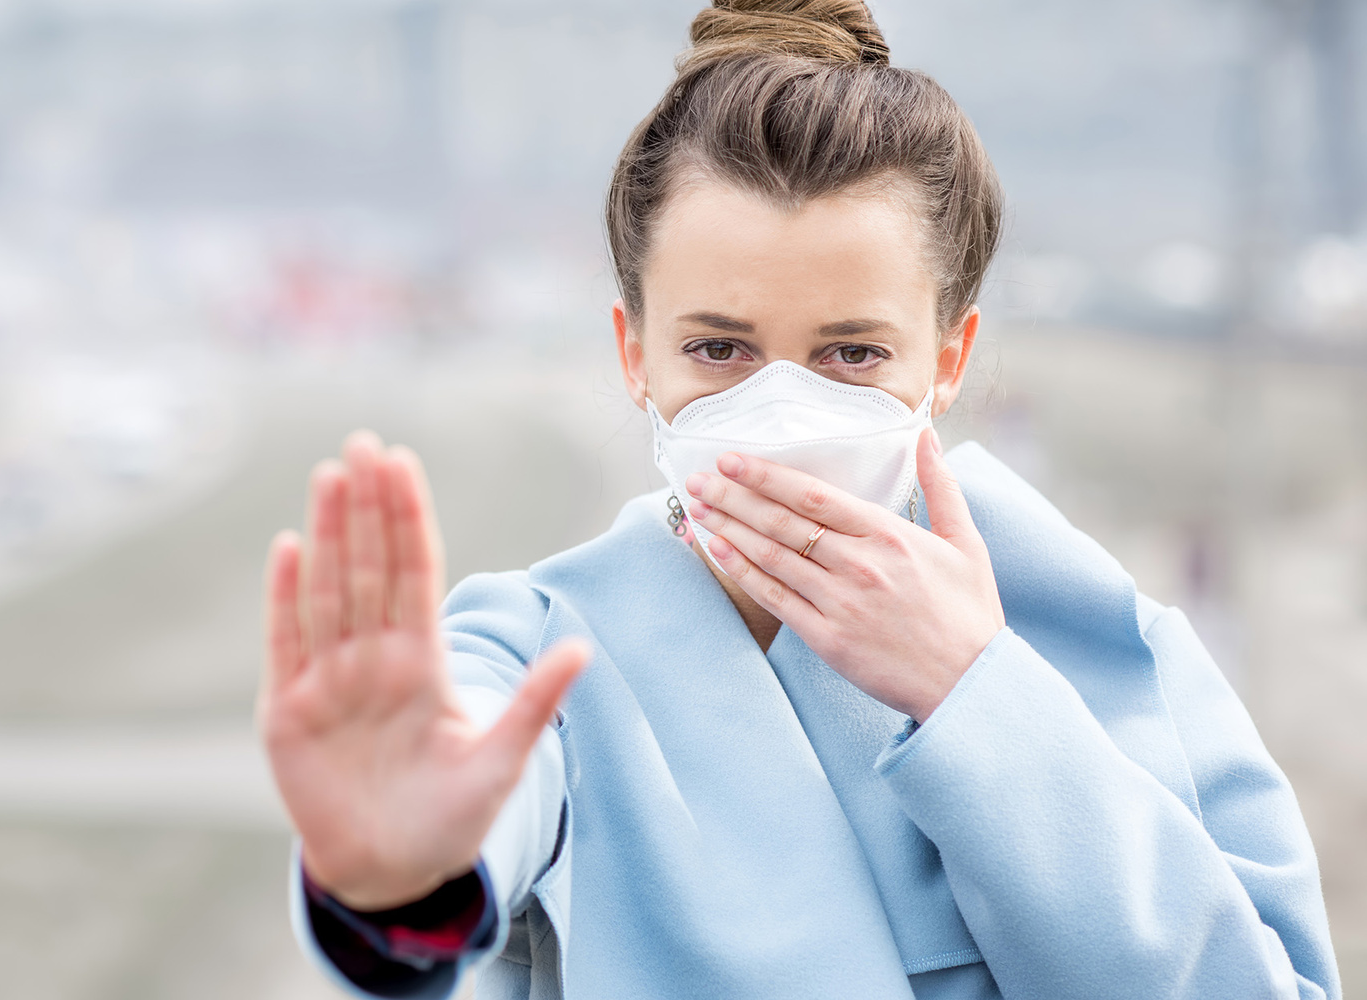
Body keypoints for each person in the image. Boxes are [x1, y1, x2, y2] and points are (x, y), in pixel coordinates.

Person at [256, 2, 1342, 997]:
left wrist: (975, 698)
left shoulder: (1113, 645)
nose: (781, 411)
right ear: (633, 353)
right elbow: (472, 779)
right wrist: (402, 878)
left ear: (948, 357)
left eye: (851, 353)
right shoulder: (538, 655)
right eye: (718, 348)